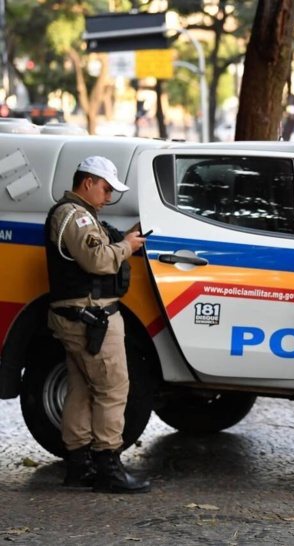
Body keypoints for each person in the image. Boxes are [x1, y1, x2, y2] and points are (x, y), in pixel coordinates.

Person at [45, 156, 150, 494]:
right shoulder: (73, 215)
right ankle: (108, 470)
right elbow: (97, 260)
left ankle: (78, 466)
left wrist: (125, 238)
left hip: (80, 318)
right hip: (89, 318)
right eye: (105, 190)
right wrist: (127, 247)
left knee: (81, 389)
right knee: (112, 389)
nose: (107, 198)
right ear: (87, 183)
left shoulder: (80, 215)